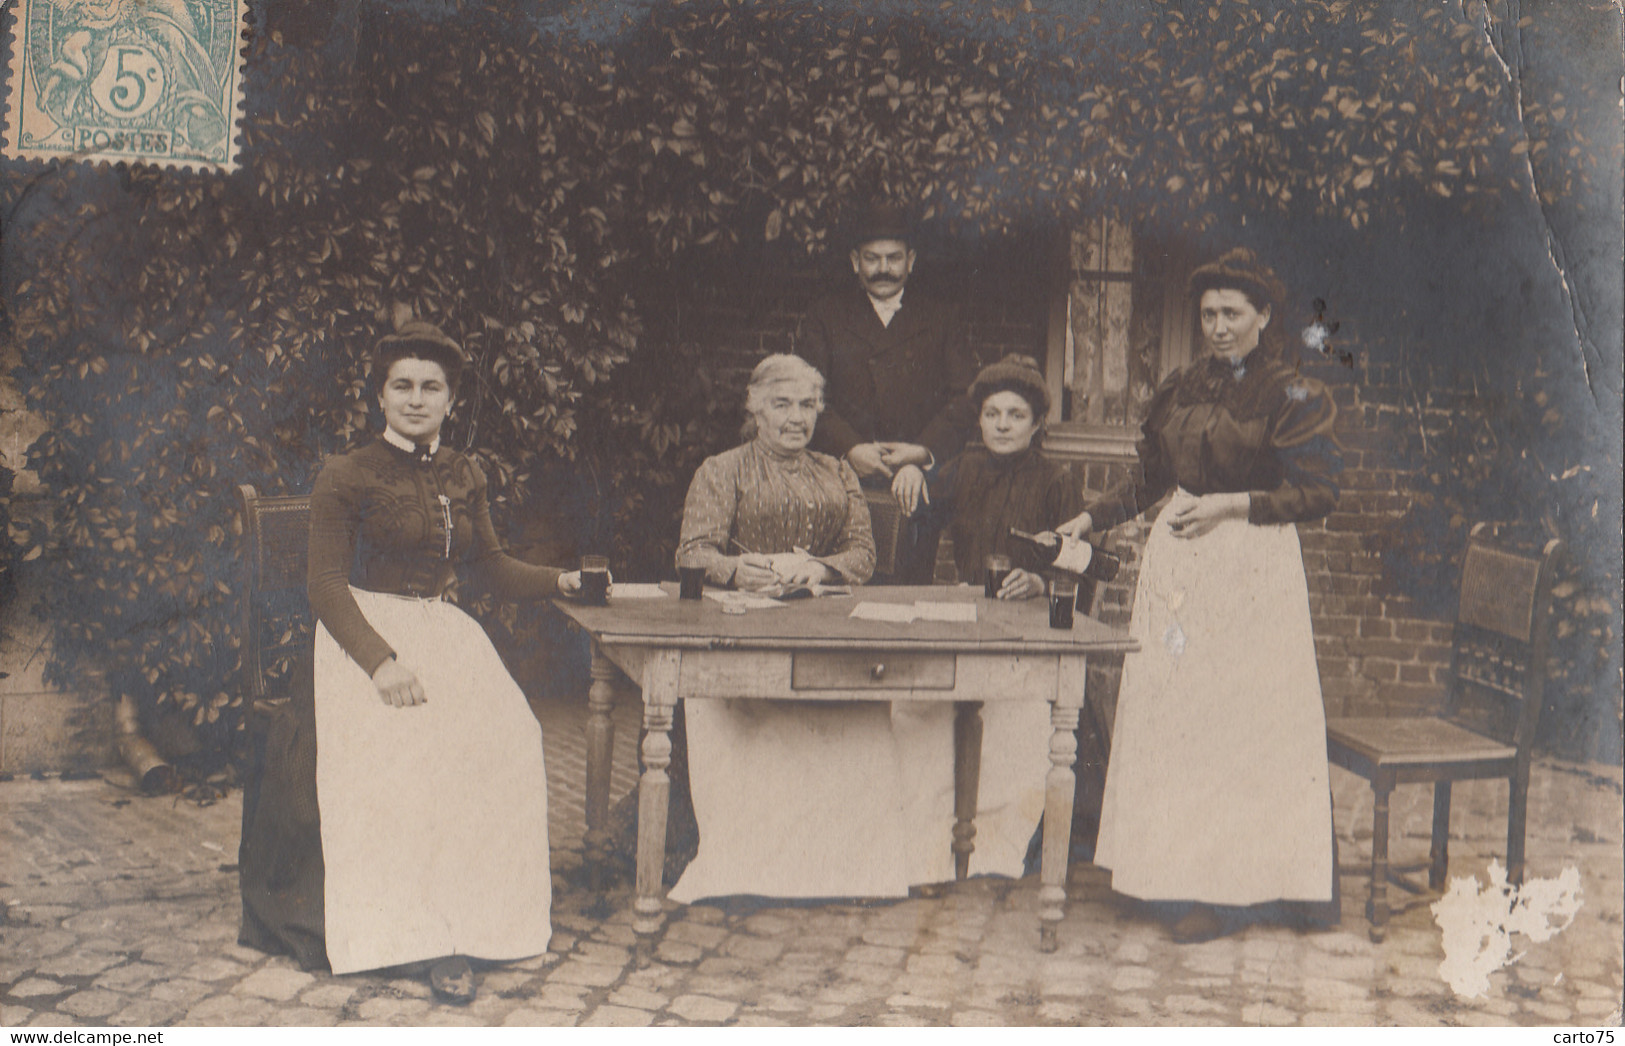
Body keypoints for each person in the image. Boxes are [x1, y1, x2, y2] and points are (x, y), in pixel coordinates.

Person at [239, 321, 584, 1002]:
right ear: (380, 397)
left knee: (511, 735)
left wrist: (560, 581)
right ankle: (414, 935)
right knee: (409, 745)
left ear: (451, 400)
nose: (417, 399)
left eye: (432, 387)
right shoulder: (348, 473)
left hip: (441, 629)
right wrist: (380, 663)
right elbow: (325, 586)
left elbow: (487, 568)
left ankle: (482, 919)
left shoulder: (464, 472)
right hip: (362, 632)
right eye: (403, 386)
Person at [1055, 248, 1342, 942]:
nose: (1216, 325)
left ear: (1262, 317)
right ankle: (1162, 872)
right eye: (1207, 313)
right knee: (1170, 713)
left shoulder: (1291, 394)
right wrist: (1091, 518)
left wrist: (1231, 506)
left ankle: (1228, 888)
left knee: (1232, 720)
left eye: (1230, 313)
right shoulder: (1182, 388)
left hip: (1249, 560)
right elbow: (1148, 479)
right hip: (1179, 561)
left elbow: (1316, 493)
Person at [793, 203, 978, 582]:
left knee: (906, 594)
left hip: (915, 488)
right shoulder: (825, 316)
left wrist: (921, 454)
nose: (883, 269)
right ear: (854, 262)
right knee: (837, 588)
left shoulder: (942, 318)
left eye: (894, 258)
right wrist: (850, 449)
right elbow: (806, 396)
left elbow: (966, 399)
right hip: (839, 482)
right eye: (872, 258)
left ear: (911, 261)